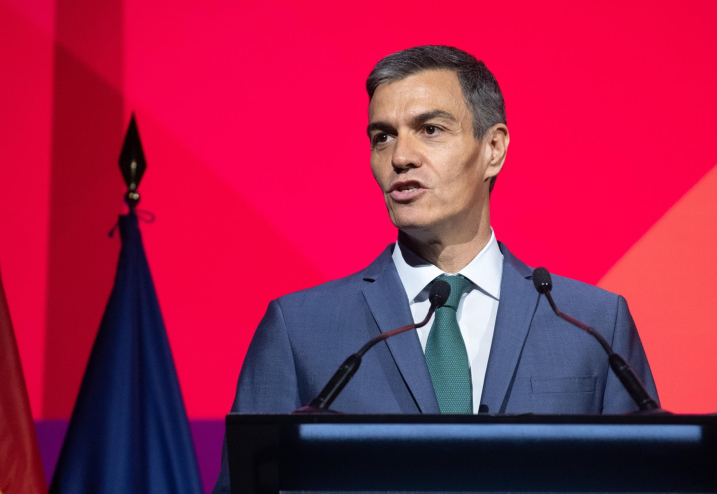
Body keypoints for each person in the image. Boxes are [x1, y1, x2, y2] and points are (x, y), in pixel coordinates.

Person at [212, 45, 658, 493]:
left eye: (429, 129)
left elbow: (646, 483)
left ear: (494, 149)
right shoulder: (300, 328)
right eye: (382, 137)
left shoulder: (593, 323)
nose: (400, 157)